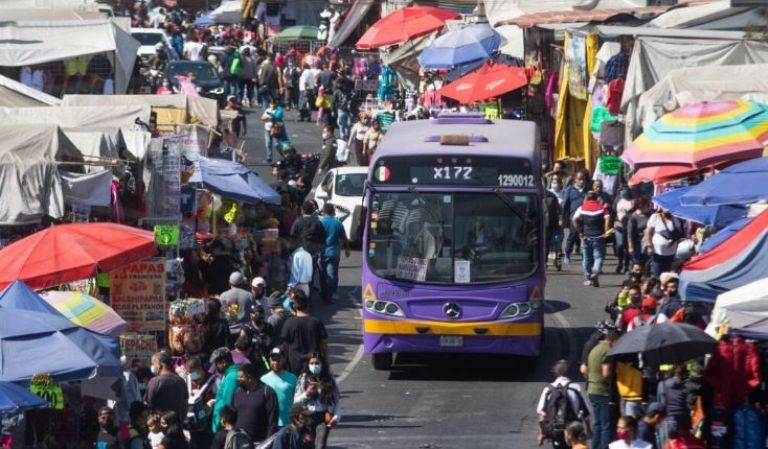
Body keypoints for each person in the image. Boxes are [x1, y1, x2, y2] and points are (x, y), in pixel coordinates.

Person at [536, 360, 591, 449]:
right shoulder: (576, 387)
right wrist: (588, 429)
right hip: (573, 429)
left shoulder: (548, 389)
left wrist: (542, 433)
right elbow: (585, 412)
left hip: (555, 429)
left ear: (556, 373)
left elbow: (542, 414)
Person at [294, 354, 340, 449]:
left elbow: (336, 400)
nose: (314, 365)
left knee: (320, 446)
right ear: (308, 364)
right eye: (312, 363)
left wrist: (336, 417)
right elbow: (296, 401)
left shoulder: (329, 379)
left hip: (323, 417)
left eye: (317, 363)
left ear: (322, 364)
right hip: (307, 417)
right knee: (307, 445)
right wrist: (307, 394)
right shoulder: (303, 378)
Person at [281, 290, 329, 374]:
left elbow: (285, 346)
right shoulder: (316, 322)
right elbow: (324, 345)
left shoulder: (289, 323)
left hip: (294, 366)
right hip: (314, 365)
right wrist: (326, 362)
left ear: (294, 306)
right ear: (307, 305)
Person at [586, 330, 619, 449]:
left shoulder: (595, 349)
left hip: (592, 389)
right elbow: (605, 373)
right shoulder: (608, 351)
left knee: (597, 423)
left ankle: (595, 446)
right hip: (602, 391)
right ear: (613, 340)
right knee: (606, 425)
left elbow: (586, 370)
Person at [232, 363, 280, 443]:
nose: (238, 379)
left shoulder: (267, 392)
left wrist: (268, 442)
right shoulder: (238, 392)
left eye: (241, 377)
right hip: (239, 441)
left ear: (250, 377)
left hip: (259, 442)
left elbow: (272, 421)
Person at [572, 191, 611, 287]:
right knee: (599, 257)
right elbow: (608, 218)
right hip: (598, 236)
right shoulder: (601, 208)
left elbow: (574, 219)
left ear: (587, 198)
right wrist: (606, 232)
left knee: (586, 258)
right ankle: (595, 273)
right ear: (596, 198)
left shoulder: (582, 207)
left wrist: (580, 232)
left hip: (586, 237)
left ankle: (588, 276)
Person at [318, 202, 351, 303]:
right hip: (333, 252)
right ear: (333, 211)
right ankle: (330, 294)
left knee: (322, 274)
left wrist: (320, 210)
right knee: (332, 273)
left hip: (321, 252)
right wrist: (347, 249)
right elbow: (344, 237)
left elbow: (313, 213)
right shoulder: (337, 222)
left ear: (324, 212)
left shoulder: (319, 221)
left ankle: (324, 293)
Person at [145, 352, 189, 421]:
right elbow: (185, 405)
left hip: (160, 426)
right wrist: (181, 421)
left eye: (153, 364)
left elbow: (148, 405)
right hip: (177, 425)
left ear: (159, 365)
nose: (152, 367)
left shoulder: (154, 382)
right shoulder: (181, 381)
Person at [260, 347, 298, 428]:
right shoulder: (263, 379)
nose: (276, 362)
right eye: (273, 360)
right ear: (269, 360)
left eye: (278, 359)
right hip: (268, 423)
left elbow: (297, 400)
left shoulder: (293, 378)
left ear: (284, 360)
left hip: (287, 423)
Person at [184, 357, 215, 449]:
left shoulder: (213, 380)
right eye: (188, 372)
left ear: (200, 368)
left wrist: (211, 403)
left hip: (208, 421)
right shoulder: (187, 380)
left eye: (192, 371)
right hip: (191, 422)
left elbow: (217, 397)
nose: (190, 374)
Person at [209, 348, 242, 433]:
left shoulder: (231, 377)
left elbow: (227, 402)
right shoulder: (231, 375)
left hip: (224, 426)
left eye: (217, 364)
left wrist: (221, 424)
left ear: (223, 363)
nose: (215, 367)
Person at [644, 209, 683, 278]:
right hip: (657, 252)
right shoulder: (655, 217)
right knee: (657, 273)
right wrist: (649, 246)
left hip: (671, 253)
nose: (666, 210)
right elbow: (648, 232)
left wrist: (673, 240)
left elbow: (679, 234)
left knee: (667, 274)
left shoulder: (675, 219)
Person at [561, 171, 590, 265]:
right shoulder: (570, 189)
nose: (582, 181)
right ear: (575, 180)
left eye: (583, 179)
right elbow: (565, 204)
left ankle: (585, 256)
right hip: (573, 218)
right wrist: (562, 217)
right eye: (580, 179)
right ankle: (567, 254)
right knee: (572, 236)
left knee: (585, 237)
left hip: (585, 217)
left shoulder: (587, 190)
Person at [614, 188, 634, 274]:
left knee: (626, 247)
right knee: (620, 245)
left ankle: (626, 265)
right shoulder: (617, 200)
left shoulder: (633, 201)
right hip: (618, 225)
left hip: (628, 226)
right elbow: (613, 210)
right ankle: (620, 262)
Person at [627, 197, 651, 266]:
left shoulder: (649, 215)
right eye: (646, 205)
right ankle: (633, 275)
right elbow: (629, 233)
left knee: (646, 262)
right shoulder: (633, 217)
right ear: (640, 205)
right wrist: (630, 247)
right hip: (637, 242)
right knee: (637, 263)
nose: (647, 206)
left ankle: (645, 275)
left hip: (647, 241)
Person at [261, 98, 286, 163]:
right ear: (269, 104)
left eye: (274, 104)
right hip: (267, 129)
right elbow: (262, 118)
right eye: (271, 104)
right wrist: (268, 118)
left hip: (275, 129)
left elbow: (278, 117)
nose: (272, 105)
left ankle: (284, 155)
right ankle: (269, 157)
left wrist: (270, 118)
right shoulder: (267, 110)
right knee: (268, 143)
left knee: (276, 144)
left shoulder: (278, 110)